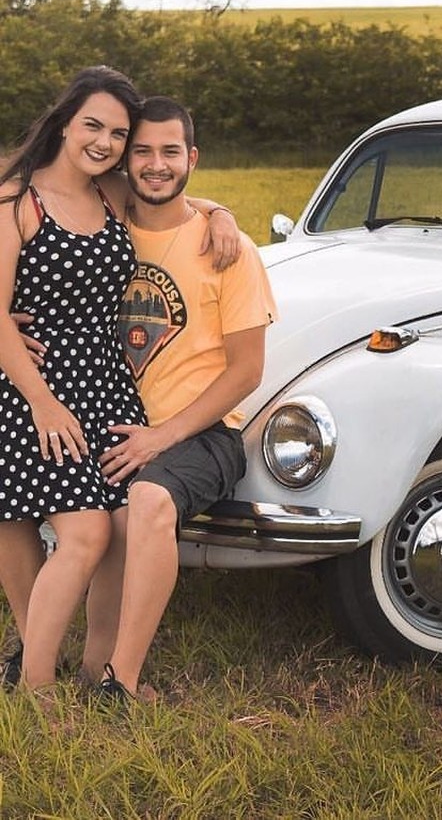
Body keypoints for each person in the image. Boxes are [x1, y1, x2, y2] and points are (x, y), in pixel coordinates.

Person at [0, 67, 240, 691]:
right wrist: (43, 402)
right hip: (32, 385)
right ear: (65, 120)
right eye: (93, 126)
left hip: (104, 382)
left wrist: (223, 213)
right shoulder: (17, 200)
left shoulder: (110, 192)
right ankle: (35, 680)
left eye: (117, 132)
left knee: (117, 521)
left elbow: (173, 195)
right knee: (78, 530)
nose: (105, 142)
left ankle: (88, 666)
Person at [78, 96, 276, 703]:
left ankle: (124, 681)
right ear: (124, 162)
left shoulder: (228, 249)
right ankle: (70, 662)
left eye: (170, 152)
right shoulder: (101, 228)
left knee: (149, 499)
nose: (156, 165)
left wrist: (163, 437)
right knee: (95, 522)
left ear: (192, 158)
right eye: (142, 151)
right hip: (113, 422)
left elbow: (247, 371)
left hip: (203, 432)